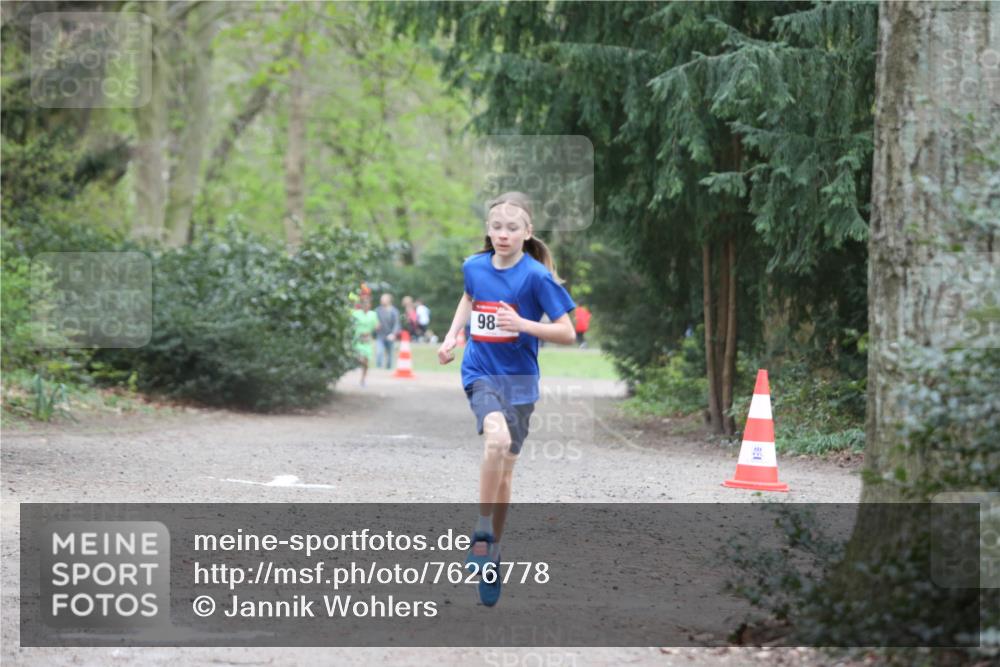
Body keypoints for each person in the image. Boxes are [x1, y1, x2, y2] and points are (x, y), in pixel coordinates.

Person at [437, 191, 575, 607]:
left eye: (512, 228)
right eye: (497, 226)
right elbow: (468, 297)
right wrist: (452, 336)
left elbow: (567, 333)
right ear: (488, 229)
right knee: (495, 441)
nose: (503, 234)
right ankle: (481, 532)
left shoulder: (536, 277)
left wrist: (522, 324)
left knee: (505, 475)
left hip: (520, 383)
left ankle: (492, 552)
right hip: (480, 372)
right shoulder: (474, 266)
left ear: (527, 232)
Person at [350, 293, 378, 387]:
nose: (366, 306)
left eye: (368, 304)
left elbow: (376, 325)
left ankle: (363, 379)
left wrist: (371, 332)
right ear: (361, 305)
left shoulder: (373, 314)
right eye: (365, 304)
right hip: (357, 340)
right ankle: (355, 365)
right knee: (359, 358)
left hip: (367, 341)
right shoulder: (356, 314)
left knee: (366, 362)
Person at [375, 293, 400, 369]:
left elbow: (397, 324)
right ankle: (379, 368)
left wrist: (393, 334)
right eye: (381, 299)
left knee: (390, 355)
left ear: (389, 300)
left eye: (383, 299)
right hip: (380, 335)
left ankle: (388, 369)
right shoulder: (378, 310)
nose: (381, 300)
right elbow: (374, 320)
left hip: (390, 335)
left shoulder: (394, 311)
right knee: (379, 352)